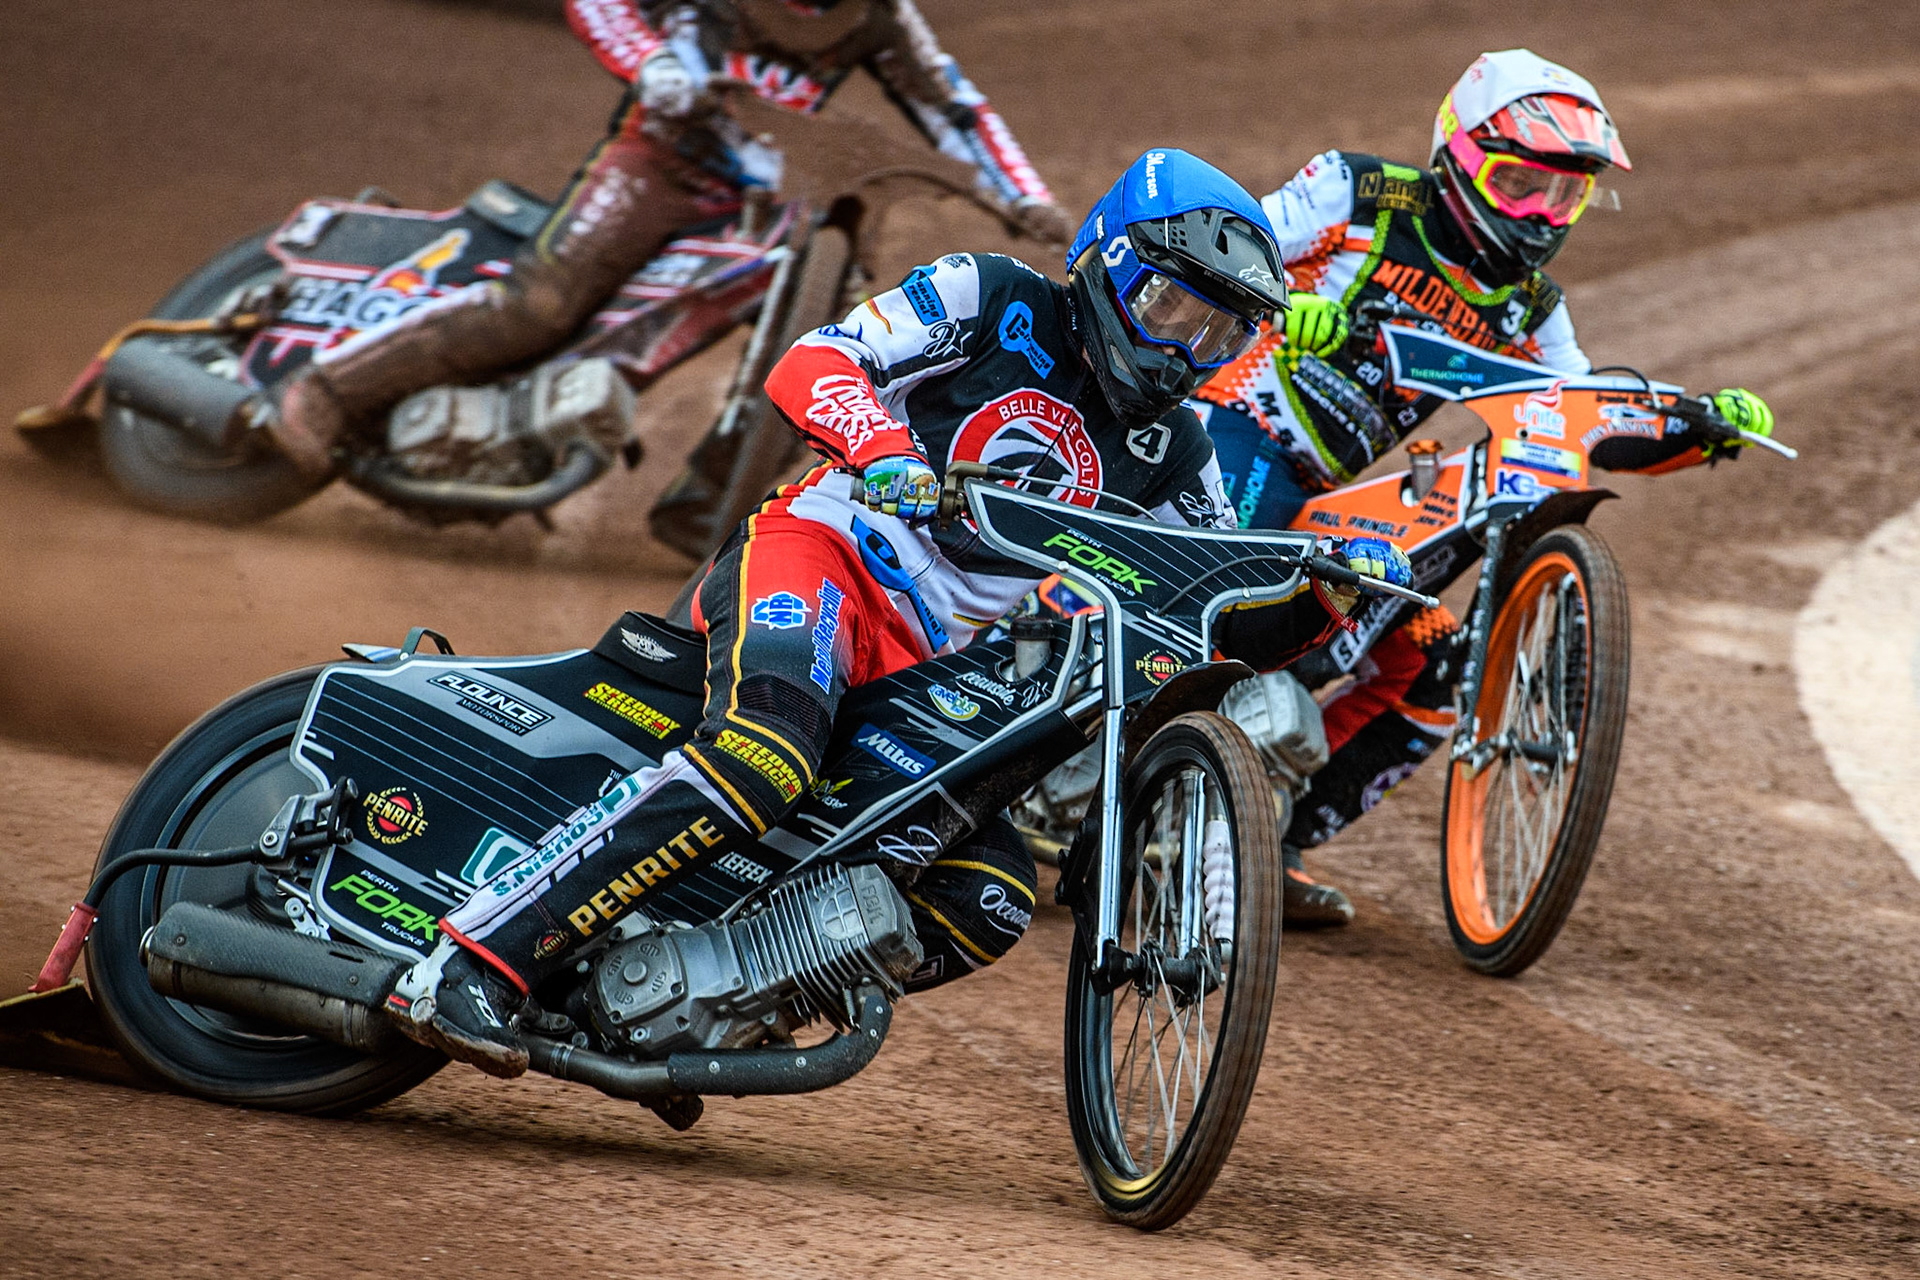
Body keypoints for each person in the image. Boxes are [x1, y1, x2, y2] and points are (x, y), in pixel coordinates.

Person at [389, 148, 1378, 1078]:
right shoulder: (992, 295)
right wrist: (887, 450)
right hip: (820, 556)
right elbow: (817, 360)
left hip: (923, 663)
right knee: (767, 751)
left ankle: (704, 998)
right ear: (1110, 263)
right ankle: (470, 959)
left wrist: (1325, 594)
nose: (1186, 350)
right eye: (1172, 308)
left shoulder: (1179, 447)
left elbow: (1219, 610)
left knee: (984, 893)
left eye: (1220, 332)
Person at [1191, 49, 1777, 927]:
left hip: (1332, 488)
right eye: (1519, 186)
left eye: (1564, 195)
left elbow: (1586, 412)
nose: (1542, 217)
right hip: (1228, 427)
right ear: (1459, 158)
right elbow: (1219, 246)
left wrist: (1693, 432)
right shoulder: (1357, 193)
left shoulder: (1532, 309)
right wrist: (1277, 298)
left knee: (1437, 666)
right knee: (1226, 615)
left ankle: (1264, 845)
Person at [267, 0, 1070, 477]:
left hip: (767, 197)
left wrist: (1023, 196)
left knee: (844, 319)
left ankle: (715, 501)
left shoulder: (884, 18)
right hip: (660, 160)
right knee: (542, 304)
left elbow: (957, 110)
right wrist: (649, 61)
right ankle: (330, 390)